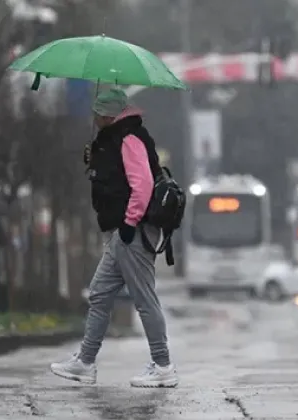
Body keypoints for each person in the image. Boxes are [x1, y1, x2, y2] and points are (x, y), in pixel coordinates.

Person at [50, 88, 178, 388]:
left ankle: (163, 366)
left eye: (96, 114)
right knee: (99, 293)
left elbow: (142, 185)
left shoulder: (129, 138)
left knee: (144, 298)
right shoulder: (112, 139)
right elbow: (113, 177)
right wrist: (93, 159)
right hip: (121, 231)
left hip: (131, 230)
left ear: (108, 115)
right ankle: (85, 362)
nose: (93, 118)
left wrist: (130, 223)